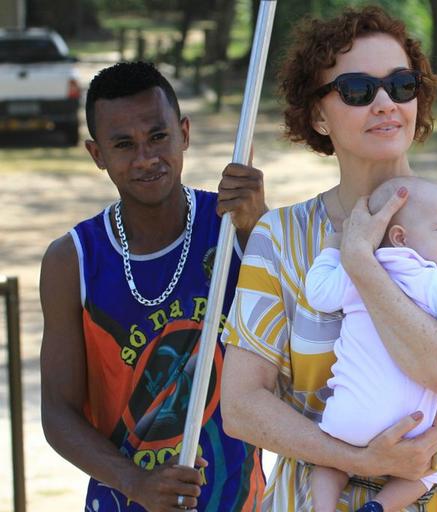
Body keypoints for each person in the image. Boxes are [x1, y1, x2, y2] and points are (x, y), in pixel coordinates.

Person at [218, 6, 437, 511]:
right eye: (358, 90)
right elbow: (241, 408)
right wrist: (356, 460)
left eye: (401, 85)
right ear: (318, 115)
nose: (385, 103)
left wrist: (362, 262)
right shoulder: (281, 236)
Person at [39, 61, 267, 511]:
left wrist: (257, 231)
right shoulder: (73, 260)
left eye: (158, 136)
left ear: (183, 132)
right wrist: (135, 481)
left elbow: (302, 355)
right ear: (96, 154)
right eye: (123, 144)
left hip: (240, 499)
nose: (146, 158)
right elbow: (57, 414)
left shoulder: (235, 228)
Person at [306, 176, 437, 512]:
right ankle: (377, 507)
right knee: (429, 472)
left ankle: (323, 507)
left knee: (329, 463)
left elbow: (318, 293)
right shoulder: (428, 279)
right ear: (401, 238)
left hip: (346, 420)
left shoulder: (356, 272)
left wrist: (336, 245)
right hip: (411, 430)